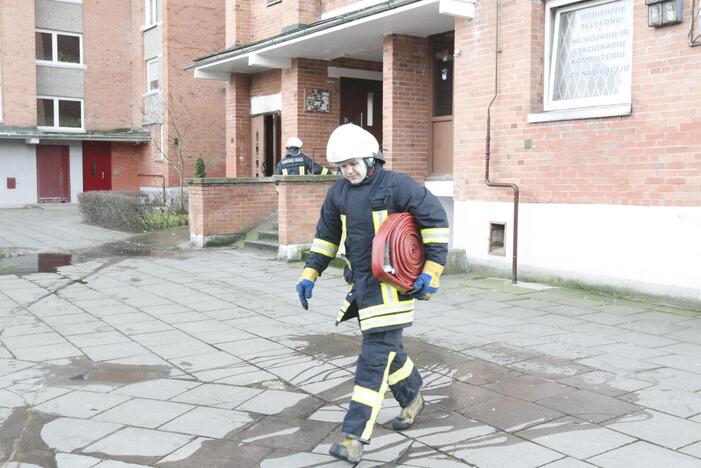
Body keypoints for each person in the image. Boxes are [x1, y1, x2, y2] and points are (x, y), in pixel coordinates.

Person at [294, 123, 449, 463]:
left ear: (371, 158)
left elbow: (435, 221)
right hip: (361, 287)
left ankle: (353, 437)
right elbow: (327, 237)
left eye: (353, 163)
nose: (347, 171)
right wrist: (310, 274)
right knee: (388, 350)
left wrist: (432, 271)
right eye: (341, 166)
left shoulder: (397, 186)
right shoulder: (338, 193)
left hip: (394, 289)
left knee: (373, 359)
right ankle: (412, 397)